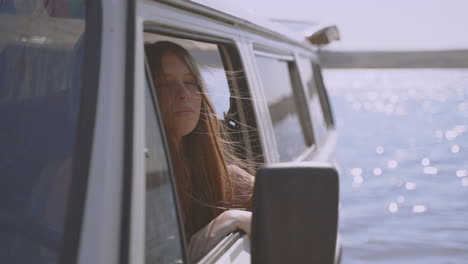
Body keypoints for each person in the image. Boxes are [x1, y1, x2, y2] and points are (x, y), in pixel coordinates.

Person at [145, 41, 255, 261]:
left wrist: (230, 218)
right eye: (164, 83)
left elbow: (291, 220)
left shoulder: (223, 177)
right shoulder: (94, 174)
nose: (183, 93)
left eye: (190, 81)